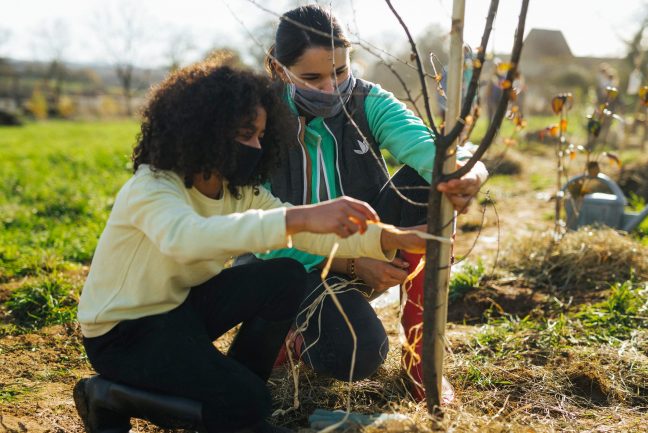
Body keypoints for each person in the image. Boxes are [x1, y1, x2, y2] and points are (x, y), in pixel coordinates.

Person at [73, 61, 427, 433]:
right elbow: (185, 238)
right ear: (204, 130)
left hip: (179, 312)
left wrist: (391, 237)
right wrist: (302, 218)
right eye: (245, 135)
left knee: (285, 276)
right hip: (122, 335)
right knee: (249, 403)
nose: (256, 147)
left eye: (260, 136)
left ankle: (238, 391)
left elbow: (306, 232)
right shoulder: (153, 187)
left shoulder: (236, 190)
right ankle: (109, 394)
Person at [241, 4, 488, 391]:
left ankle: (421, 358)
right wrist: (351, 265)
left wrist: (466, 174)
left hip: (369, 242)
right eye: (312, 78)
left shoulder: (368, 101)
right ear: (278, 68)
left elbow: (430, 149)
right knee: (357, 352)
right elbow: (262, 233)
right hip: (290, 267)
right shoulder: (259, 121)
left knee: (430, 184)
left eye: (340, 71)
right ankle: (292, 335)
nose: (331, 88)